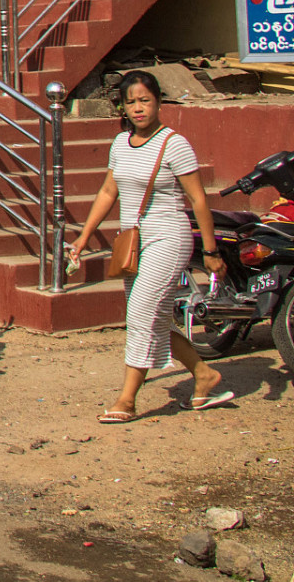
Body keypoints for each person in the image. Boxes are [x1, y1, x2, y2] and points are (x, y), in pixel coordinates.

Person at [68, 69, 232, 421]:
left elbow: (198, 200)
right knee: (152, 319)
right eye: (131, 102)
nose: (139, 108)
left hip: (168, 238)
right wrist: (83, 236)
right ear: (122, 109)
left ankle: (127, 398)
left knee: (142, 312)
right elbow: (108, 191)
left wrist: (211, 251)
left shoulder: (175, 144)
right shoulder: (119, 144)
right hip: (132, 242)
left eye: (145, 100)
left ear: (158, 101)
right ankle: (204, 375)